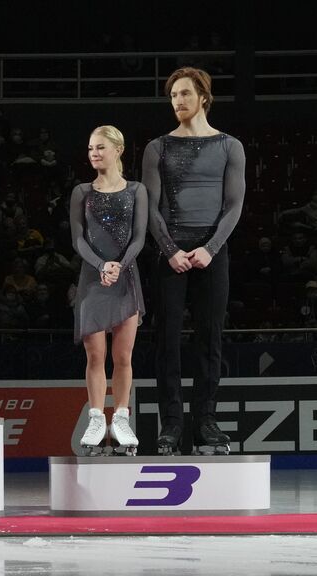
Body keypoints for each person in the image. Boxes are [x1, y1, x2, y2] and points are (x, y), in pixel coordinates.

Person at [142, 66, 245, 455]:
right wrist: (170, 250)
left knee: (210, 339)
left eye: (184, 93)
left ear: (203, 97)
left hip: (211, 252)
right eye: (173, 95)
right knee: (167, 341)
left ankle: (205, 422)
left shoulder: (230, 146)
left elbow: (234, 206)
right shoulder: (157, 147)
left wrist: (211, 248)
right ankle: (171, 425)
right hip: (169, 252)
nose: (177, 101)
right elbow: (150, 207)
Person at [70, 126, 147, 456]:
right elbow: (77, 239)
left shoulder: (137, 190)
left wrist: (118, 265)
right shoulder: (81, 192)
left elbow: (139, 237)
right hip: (92, 279)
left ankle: (121, 418)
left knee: (123, 356)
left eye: (100, 147)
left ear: (118, 149)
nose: (94, 154)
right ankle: (96, 418)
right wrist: (102, 266)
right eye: (90, 148)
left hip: (126, 278)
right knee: (95, 356)